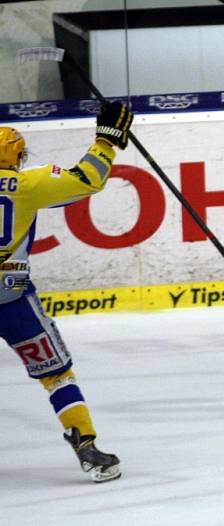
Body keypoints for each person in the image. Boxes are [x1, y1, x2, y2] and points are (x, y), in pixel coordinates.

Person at [0, 101, 133, 482]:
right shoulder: (28, 184)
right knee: (57, 375)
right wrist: (107, 139)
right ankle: (86, 447)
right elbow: (89, 178)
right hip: (13, 300)